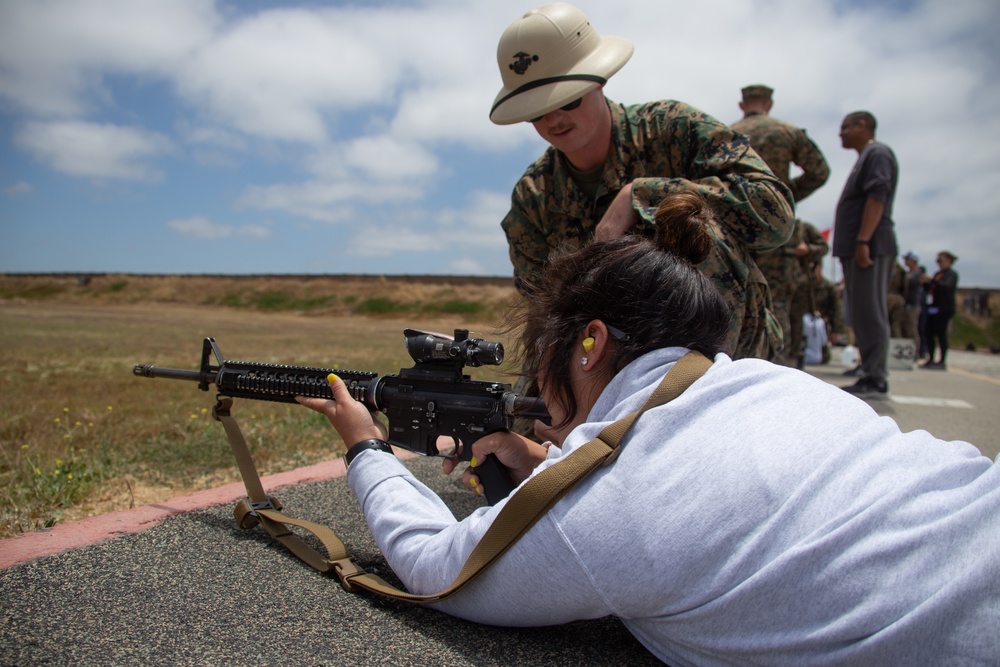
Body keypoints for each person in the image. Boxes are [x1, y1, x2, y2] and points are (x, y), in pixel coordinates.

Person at [297, 193, 999, 666]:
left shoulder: (602, 510)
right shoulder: (773, 383)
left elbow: (433, 563)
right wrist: (552, 463)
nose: (538, 383)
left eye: (543, 351)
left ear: (588, 344)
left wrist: (365, 447)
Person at [493, 3, 793, 360]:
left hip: (732, 360)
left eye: (569, 100)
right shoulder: (534, 199)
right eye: (538, 110)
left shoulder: (673, 130)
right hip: (619, 374)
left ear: (600, 80)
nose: (555, 119)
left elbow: (775, 216)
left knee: (698, 226)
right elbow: (547, 322)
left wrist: (644, 197)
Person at [833, 111, 899, 398]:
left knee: (871, 311)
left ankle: (876, 378)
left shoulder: (877, 153)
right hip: (858, 247)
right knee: (860, 312)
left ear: (863, 125)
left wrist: (863, 241)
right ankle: (868, 369)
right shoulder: (865, 157)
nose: (841, 133)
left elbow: (877, 196)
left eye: (846, 127)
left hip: (869, 246)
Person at [731, 84, 830, 203]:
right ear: (769, 104)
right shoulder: (788, 130)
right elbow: (819, 172)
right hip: (775, 212)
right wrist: (785, 194)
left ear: (741, 105)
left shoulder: (726, 135)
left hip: (731, 211)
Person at [753, 218, 828, 367]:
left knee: (797, 324)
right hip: (772, 284)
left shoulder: (802, 227)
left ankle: (793, 358)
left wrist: (808, 250)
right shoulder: (765, 222)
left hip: (798, 285)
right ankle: (776, 360)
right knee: (776, 321)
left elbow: (823, 247)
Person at [920, 251, 959, 369]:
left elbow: (946, 287)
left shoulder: (951, 274)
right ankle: (930, 359)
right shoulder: (938, 274)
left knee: (941, 334)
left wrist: (932, 280)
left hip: (944, 309)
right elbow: (931, 290)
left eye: (940, 261)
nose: (938, 263)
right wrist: (925, 283)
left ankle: (942, 361)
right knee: (929, 333)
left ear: (949, 261)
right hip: (932, 307)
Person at [902, 250, 924, 352]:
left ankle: (915, 352)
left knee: (912, 329)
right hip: (906, 303)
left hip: (913, 304)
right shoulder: (908, 273)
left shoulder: (918, 272)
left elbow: (908, 281)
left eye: (907, 259)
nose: (905, 261)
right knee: (905, 328)